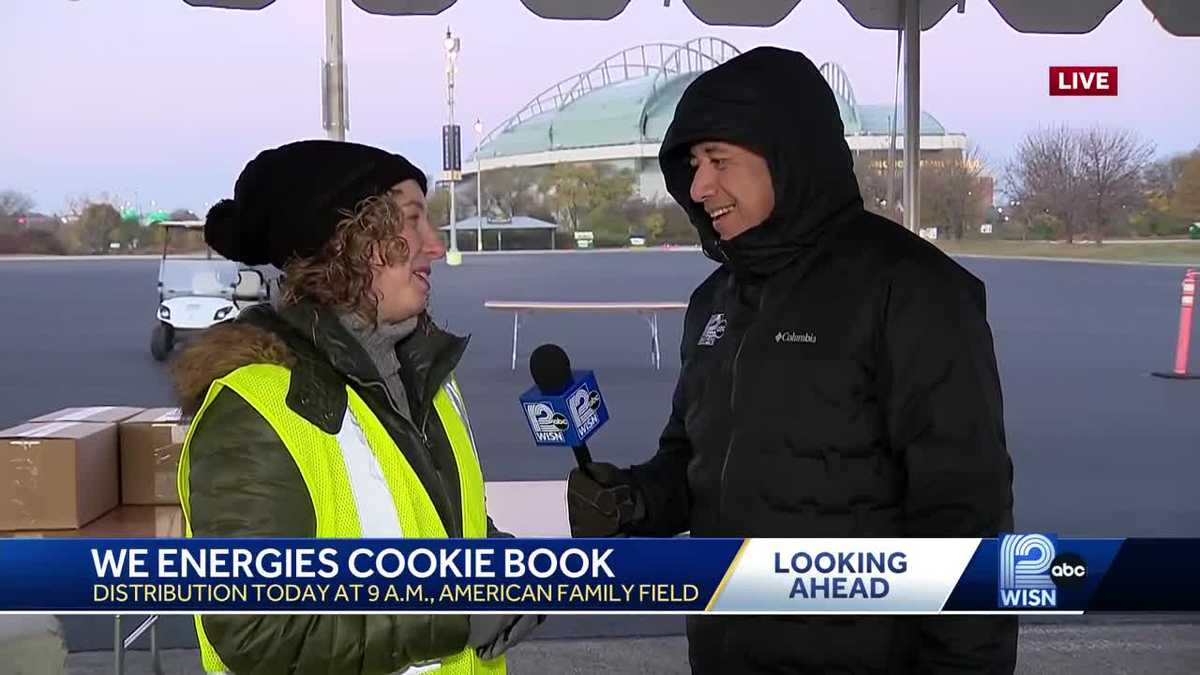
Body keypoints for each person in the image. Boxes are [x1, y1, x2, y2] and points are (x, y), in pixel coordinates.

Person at [566, 47, 1018, 673]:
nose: (698, 187)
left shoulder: (913, 292)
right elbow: (692, 460)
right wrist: (634, 500)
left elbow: (964, 520)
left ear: (789, 156)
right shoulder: (715, 301)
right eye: (693, 165)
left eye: (720, 161)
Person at [172, 140, 541, 675]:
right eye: (412, 221)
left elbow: (436, 529)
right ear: (349, 240)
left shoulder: (430, 379)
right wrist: (456, 616)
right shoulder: (256, 412)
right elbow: (255, 630)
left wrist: (506, 569)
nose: (434, 245)